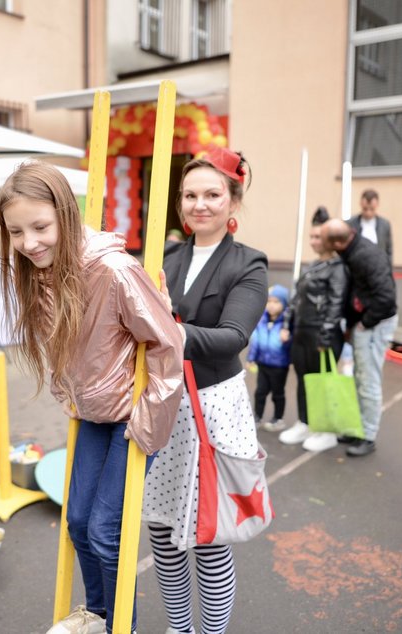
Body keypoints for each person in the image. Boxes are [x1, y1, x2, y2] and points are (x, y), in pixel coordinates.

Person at [0, 161, 184, 634]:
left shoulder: (115, 270)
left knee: (104, 531)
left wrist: (146, 425)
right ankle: (99, 617)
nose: (29, 243)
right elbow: (58, 348)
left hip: (133, 417)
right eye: (16, 232)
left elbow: (167, 344)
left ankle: (123, 627)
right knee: (77, 522)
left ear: (65, 214)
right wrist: (68, 393)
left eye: (40, 227)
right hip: (94, 413)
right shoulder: (40, 274)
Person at [143, 148, 268, 634]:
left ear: (233, 201)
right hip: (161, 405)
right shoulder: (163, 256)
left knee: (208, 534)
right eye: (190, 195)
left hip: (212, 409)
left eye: (213, 194)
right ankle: (179, 628)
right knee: (161, 530)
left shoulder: (248, 264)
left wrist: (164, 327)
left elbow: (233, 338)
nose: (201, 204)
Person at [321, 218, 397, 457]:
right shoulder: (353, 251)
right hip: (365, 323)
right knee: (360, 379)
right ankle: (358, 429)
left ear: (337, 243)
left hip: (375, 325)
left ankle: (368, 436)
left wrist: (364, 324)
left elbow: (386, 298)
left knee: (369, 381)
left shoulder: (364, 256)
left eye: (323, 240)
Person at [280, 207, 348, 452]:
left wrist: (326, 336)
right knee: (303, 379)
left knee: (322, 383)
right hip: (302, 331)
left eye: (318, 237)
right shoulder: (312, 266)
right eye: (311, 236)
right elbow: (296, 299)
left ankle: (325, 430)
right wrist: (288, 326)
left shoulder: (338, 268)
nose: (313, 241)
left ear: (330, 239)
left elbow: (336, 303)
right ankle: (305, 422)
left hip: (322, 334)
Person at [246, 284, 292, 432]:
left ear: (284, 304)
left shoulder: (287, 323)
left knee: (278, 394)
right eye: (269, 301)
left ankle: (278, 419)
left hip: (279, 365)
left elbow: (292, 345)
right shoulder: (262, 320)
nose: (272, 305)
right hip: (263, 363)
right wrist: (251, 358)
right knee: (260, 392)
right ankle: (257, 417)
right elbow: (255, 341)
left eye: (276, 302)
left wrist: (288, 338)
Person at [347, 189, 393, 264]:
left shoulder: (385, 225)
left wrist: (389, 269)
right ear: (361, 204)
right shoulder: (350, 224)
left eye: (372, 209)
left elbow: (389, 250)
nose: (368, 212)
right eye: (365, 209)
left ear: (377, 205)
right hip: (357, 265)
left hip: (378, 265)